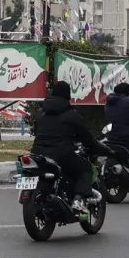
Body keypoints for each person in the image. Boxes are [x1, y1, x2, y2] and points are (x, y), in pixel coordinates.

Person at [32, 80, 104, 211]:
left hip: (37, 154)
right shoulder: (72, 115)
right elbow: (86, 138)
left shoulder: (40, 113)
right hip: (61, 155)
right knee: (86, 168)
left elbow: (37, 132)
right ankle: (78, 200)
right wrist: (98, 148)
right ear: (68, 95)